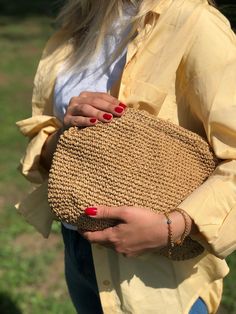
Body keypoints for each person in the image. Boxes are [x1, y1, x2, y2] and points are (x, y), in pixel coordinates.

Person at [16, 0, 236, 313]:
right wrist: (66, 136)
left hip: (157, 276)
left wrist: (172, 227)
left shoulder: (196, 25)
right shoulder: (78, 24)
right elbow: (48, 133)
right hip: (79, 252)